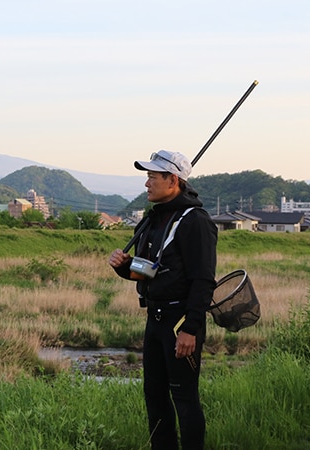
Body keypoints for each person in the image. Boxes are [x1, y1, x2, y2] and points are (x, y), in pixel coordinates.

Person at [108, 149, 217, 450]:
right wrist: (123, 267)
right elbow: (146, 273)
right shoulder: (152, 221)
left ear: (173, 180)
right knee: (154, 394)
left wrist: (191, 328)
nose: (147, 184)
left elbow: (203, 279)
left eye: (152, 177)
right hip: (154, 319)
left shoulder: (195, 221)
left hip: (181, 320)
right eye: (147, 177)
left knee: (184, 396)